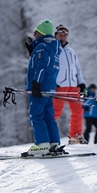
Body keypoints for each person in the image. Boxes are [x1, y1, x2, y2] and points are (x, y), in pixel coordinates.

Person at [25, 19, 63, 156]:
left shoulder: (42, 48)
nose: (34, 35)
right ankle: (53, 143)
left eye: (36, 32)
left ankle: (42, 145)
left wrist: (36, 83)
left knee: (36, 115)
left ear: (41, 33)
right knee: (48, 116)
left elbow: (41, 67)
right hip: (49, 88)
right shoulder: (53, 48)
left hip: (40, 88)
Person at [53, 24, 88, 144]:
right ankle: (46, 136)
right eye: (60, 35)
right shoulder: (53, 50)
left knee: (78, 110)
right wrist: (53, 83)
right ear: (55, 36)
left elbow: (77, 69)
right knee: (56, 111)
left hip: (73, 86)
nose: (62, 37)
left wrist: (82, 84)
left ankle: (75, 136)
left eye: (64, 35)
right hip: (59, 86)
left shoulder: (71, 51)